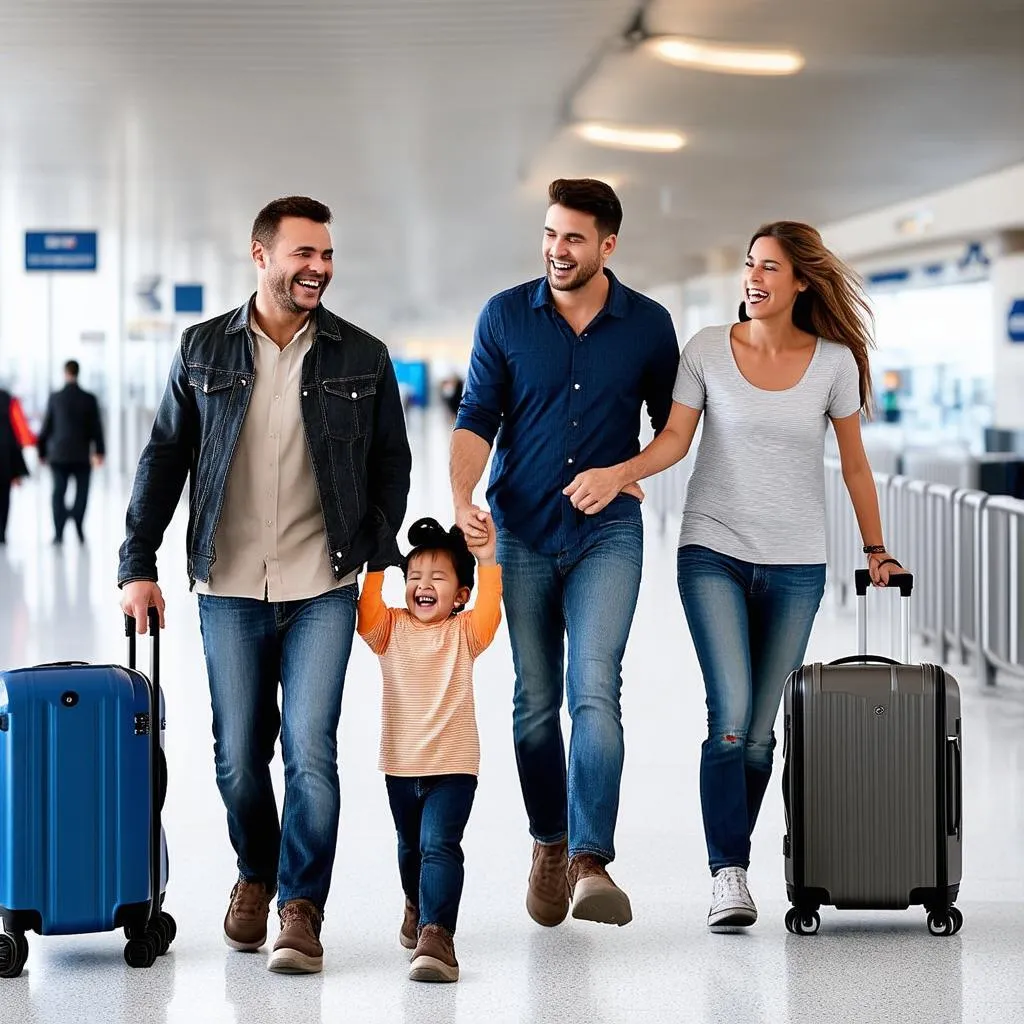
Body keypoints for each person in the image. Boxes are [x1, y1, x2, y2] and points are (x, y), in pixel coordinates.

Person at [562, 220, 907, 931]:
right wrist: (621, 473)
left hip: (796, 564)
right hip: (712, 551)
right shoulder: (707, 351)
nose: (753, 278)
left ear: (801, 281)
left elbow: (854, 464)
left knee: (759, 733)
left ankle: (734, 859)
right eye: (749, 265)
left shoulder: (834, 363)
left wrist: (877, 549)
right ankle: (730, 874)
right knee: (730, 717)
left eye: (770, 268)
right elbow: (675, 439)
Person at [117, 196, 412, 974]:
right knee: (240, 757)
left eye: (327, 255)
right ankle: (257, 868)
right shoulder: (202, 349)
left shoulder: (363, 355)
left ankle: (300, 906)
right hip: (230, 582)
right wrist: (136, 563)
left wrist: (378, 554)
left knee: (311, 750)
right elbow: (164, 458)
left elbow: (391, 463)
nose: (318, 268)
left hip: (324, 582)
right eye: (303, 255)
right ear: (261, 256)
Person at [450, 178, 679, 928]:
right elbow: (477, 415)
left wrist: (625, 472)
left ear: (608, 244)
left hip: (608, 532)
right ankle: (548, 841)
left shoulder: (647, 325)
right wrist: (462, 499)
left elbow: (672, 429)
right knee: (532, 704)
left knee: (595, 688)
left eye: (573, 238)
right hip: (519, 530)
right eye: (550, 234)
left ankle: (590, 860)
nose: (556, 249)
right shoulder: (506, 315)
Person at [356, 516, 501, 983]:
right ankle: (417, 905)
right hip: (400, 766)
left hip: (454, 767)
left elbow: (490, 610)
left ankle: (437, 933)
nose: (423, 585)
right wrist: (379, 563)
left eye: (437, 578)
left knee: (439, 846)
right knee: (409, 849)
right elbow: (367, 613)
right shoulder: (390, 629)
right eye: (414, 577)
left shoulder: (465, 632)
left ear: (460, 594)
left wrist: (487, 559)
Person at [37, 360, 105, 544]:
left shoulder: (55, 398)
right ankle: (78, 526)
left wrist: (41, 452)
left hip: (58, 456)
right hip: (82, 455)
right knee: (81, 493)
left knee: (58, 492)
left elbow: (46, 427)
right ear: (78, 372)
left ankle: (58, 532)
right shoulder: (89, 399)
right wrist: (100, 452)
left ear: (65, 373)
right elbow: (96, 428)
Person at [0, 388, 31, 546]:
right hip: (5, 455)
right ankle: (2, 533)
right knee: (4, 497)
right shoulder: (9, 399)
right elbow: (18, 430)